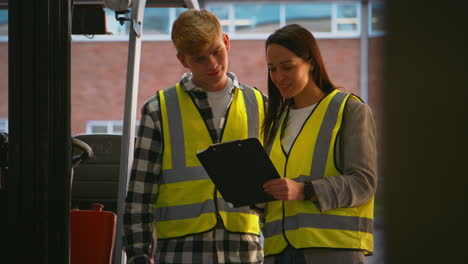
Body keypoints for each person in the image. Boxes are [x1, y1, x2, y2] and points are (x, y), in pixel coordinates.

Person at [123, 9, 266, 264]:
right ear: (183, 60)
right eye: (200, 59)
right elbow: (140, 193)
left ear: (227, 42)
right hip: (181, 252)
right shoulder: (159, 110)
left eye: (216, 52)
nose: (212, 64)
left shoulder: (261, 106)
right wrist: (137, 256)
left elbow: (275, 189)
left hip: (245, 252)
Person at [261, 24, 377, 264]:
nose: (278, 77)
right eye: (272, 69)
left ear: (311, 62)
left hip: (333, 250)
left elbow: (364, 183)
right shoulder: (276, 121)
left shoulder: (349, 110)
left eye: (288, 67)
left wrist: (305, 190)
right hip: (278, 251)